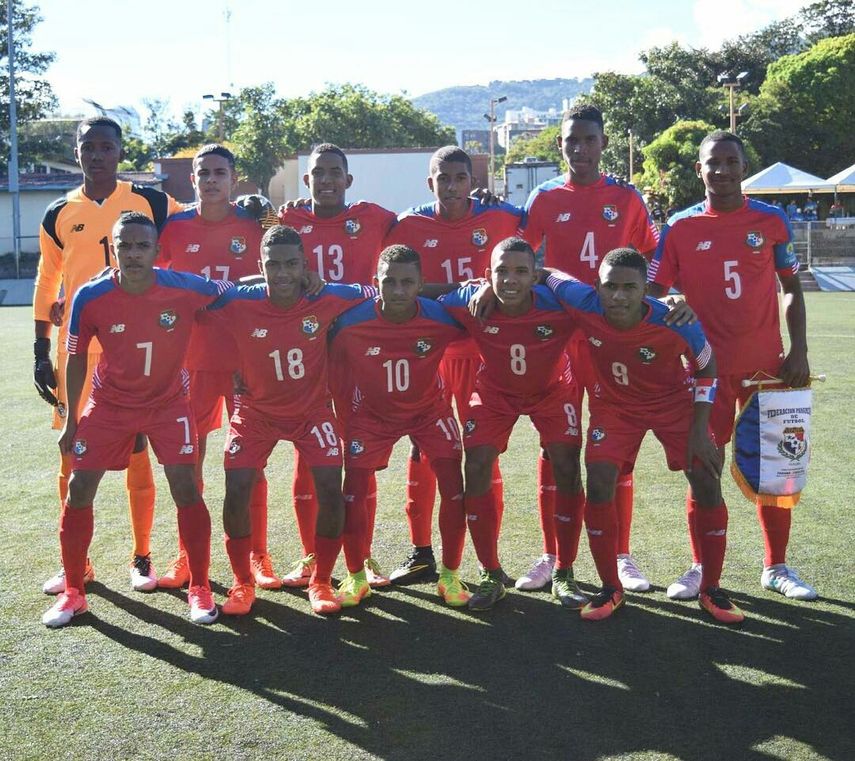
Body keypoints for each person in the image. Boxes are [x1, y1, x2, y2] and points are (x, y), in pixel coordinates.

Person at [648, 130, 816, 601]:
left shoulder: (771, 220)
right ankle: (702, 565)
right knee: (703, 467)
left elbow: (791, 288)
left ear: (744, 167)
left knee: (777, 468)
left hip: (767, 371)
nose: (721, 170)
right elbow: (656, 292)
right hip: (705, 372)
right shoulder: (679, 227)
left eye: (730, 161)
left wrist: (797, 349)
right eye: (711, 163)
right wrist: (672, 300)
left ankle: (777, 565)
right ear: (698, 170)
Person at [41, 213, 232, 628]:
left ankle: (199, 587)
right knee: (79, 487)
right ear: (114, 249)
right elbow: (75, 358)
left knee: (186, 487)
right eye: (124, 245)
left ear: (155, 251)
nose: (132, 254)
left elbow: (232, 291)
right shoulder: (91, 295)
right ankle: (75, 592)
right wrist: (72, 421)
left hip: (168, 404)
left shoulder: (183, 287)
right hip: (110, 404)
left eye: (141, 246)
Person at [545, 249, 742, 624]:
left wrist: (700, 431)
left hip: (673, 404)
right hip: (615, 407)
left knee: (705, 476)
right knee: (600, 481)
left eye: (628, 288)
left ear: (644, 289)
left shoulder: (675, 319)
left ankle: (712, 589)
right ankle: (610, 589)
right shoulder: (582, 300)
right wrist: (487, 288)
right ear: (596, 286)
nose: (618, 296)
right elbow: (546, 273)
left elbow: (706, 366)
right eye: (609, 286)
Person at [34, 116, 184, 596]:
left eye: (105, 146)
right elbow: (46, 278)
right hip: (78, 347)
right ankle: (76, 563)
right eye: (87, 147)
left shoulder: (152, 202)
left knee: (138, 451)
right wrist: (41, 349)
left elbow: (198, 228)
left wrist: (259, 218)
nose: (96, 154)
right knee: (71, 452)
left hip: (135, 347)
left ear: (120, 151)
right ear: (77, 152)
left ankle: (142, 557)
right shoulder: (58, 211)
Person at [516, 104, 660, 594]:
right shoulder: (543, 196)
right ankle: (552, 553)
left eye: (588, 139)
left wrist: (647, 303)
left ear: (603, 143)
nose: (578, 148)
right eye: (570, 140)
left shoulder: (625, 196)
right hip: (557, 339)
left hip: (611, 341)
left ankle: (620, 554)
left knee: (613, 449)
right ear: (560, 144)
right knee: (555, 446)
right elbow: (520, 256)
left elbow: (651, 254)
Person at [205, 225, 373, 615]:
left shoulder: (328, 296)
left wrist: (323, 280)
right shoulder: (238, 299)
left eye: (291, 264)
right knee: (237, 486)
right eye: (273, 265)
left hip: (311, 411)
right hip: (255, 411)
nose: (282, 273)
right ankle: (242, 584)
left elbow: (375, 292)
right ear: (259, 266)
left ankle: (321, 581)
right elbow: (198, 298)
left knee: (331, 487)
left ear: (305, 265)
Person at [383, 146, 522, 585]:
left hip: (483, 357)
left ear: (471, 180)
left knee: (484, 456)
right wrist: (468, 287)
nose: (452, 186)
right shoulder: (408, 225)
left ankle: (488, 560)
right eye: (443, 178)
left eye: (460, 178)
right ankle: (422, 552)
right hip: (431, 355)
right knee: (423, 454)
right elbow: (397, 284)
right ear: (431, 183)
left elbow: (531, 236)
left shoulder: (500, 218)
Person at [155, 144, 279, 591]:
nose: (211, 180)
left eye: (219, 172)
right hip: (191, 361)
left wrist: (269, 215)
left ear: (233, 178)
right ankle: (188, 555)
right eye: (203, 172)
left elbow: (281, 260)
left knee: (251, 462)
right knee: (188, 461)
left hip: (246, 359)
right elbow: (153, 284)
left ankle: (259, 554)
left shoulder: (254, 223)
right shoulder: (174, 228)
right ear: (192, 179)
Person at [440, 238, 586, 611]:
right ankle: (491, 574)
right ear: (487, 274)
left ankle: (564, 572)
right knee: (475, 466)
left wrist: (671, 302)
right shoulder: (471, 301)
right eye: (501, 272)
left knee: (567, 467)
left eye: (521, 271)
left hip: (553, 391)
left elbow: (599, 295)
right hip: (495, 392)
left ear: (535, 276)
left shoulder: (559, 302)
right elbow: (423, 298)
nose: (510, 280)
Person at [277, 143, 397, 589]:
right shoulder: (287, 220)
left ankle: (360, 556)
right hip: (309, 354)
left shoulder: (375, 217)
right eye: (317, 174)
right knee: (309, 457)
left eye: (334, 173)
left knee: (358, 455)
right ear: (305, 181)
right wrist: (263, 209)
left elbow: (424, 223)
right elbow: (263, 231)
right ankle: (313, 554)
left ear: (348, 180)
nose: (326, 180)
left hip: (360, 353)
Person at [329, 245, 469, 608]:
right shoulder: (351, 322)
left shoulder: (441, 317)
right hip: (372, 414)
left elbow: (480, 319)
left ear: (421, 284)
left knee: (454, 486)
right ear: (376, 283)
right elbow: (324, 356)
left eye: (408, 282)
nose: (398, 291)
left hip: (430, 411)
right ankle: (357, 576)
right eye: (389, 282)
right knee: (354, 490)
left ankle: (451, 576)